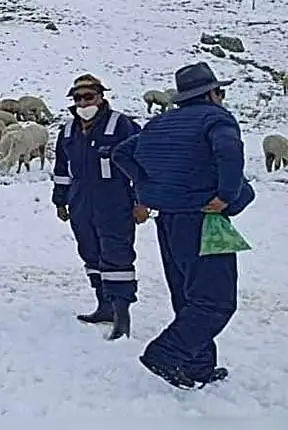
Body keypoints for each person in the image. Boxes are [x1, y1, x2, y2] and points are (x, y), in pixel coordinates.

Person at [112, 61, 255, 389]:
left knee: (189, 295)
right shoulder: (216, 118)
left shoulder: (159, 123)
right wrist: (225, 195)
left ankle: (198, 367)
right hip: (205, 219)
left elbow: (121, 153)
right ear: (212, 94)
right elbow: (229, 152)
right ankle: (167, 353)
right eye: (222, 92)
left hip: (170, 221)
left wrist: (148, 187)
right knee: (216, 301)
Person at [51, 74, 145, 341]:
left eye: (88, 97)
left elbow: (141, 165)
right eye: (78, 98)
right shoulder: (68, 130)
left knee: (116, 252)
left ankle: (122, 314)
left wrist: (141, 201)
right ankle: (103, 305)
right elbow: (61, 169)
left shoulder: (121, 125)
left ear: (101, 97)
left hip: (113, 196)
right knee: (89, 251)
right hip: (80, 197)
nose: (83, 102)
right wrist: (60, 199)